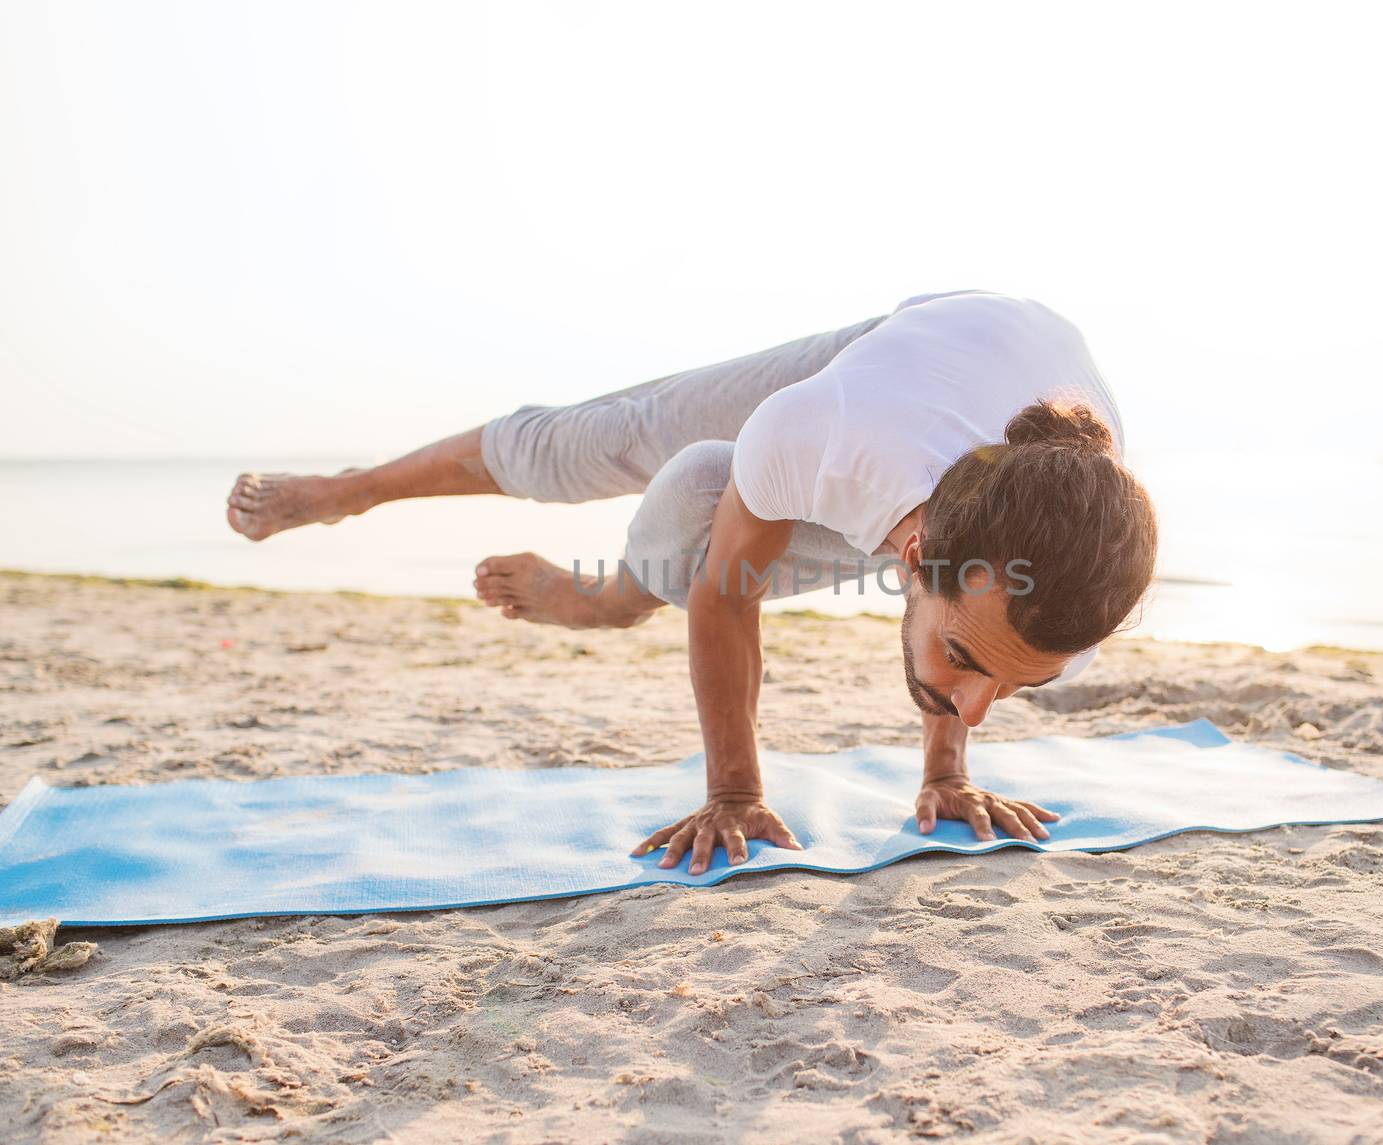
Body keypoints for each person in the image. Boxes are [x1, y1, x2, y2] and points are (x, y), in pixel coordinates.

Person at [226, 289, 1159, 875]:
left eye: (1012, 685)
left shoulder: (1084, 586)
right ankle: (360, 497)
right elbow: (727, 591)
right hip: (913, 350)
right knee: (655, 467)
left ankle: (617, 591)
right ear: (912, 560)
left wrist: (949, 772)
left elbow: (987, 632)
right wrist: (734, 793)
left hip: (1002, 413)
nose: (981, 704)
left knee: (964, 634)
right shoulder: (823, 428)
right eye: (968, 663)